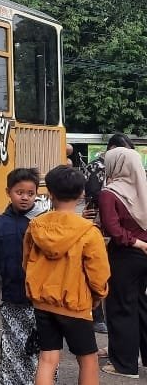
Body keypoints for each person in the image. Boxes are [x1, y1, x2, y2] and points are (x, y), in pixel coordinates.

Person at [24, 165, 110, 385]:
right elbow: (99, 274)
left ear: (50, 192)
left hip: (43, 303)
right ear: (81, 193)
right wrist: (99, 295)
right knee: (88, 360)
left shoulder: (35, 226)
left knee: (47, 359)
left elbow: (26, 264)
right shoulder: (89, 232)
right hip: (76, 304)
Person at [0, 168, 50, 385]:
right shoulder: (0, 222)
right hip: (11, 298)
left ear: (36, 194)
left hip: (39, 300)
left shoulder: (42, 221)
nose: (25, 197)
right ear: (8, 192)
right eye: (19, 192)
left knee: (38, 346)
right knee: (12, 345)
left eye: (30, 193)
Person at [98, 146, 147, 378]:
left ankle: (124, 365)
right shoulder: (143, 188)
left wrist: (135, 242)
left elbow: (113, 231)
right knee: (141, 306)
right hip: (145, 256)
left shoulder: (110, 193)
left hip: (125, 256)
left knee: (121, 309)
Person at [81, 133, 134, 334]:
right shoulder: (97, 167)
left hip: (117, 227)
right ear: (112, 149)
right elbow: (95, 196)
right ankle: (97, 316)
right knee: (97, 270)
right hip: (100, 225)